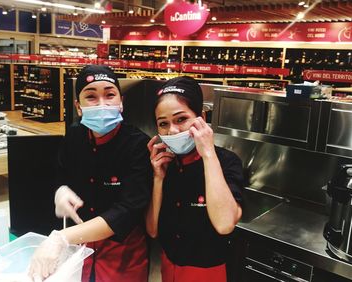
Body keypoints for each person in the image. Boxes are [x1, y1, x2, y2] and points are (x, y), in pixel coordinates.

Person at [29, 65, 152, 282]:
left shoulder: (138, 146)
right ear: (78, 106)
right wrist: (61, 190)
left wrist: (61, 238)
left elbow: (127, 210)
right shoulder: (74, 136)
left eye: (110, 95)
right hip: (80, 248)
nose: (102, 104)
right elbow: (61, 172)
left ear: (121, 102)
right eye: (91, 97)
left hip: (123, 256)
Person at [145, 76, 244, 282]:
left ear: (202, 117)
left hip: (208, 271)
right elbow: (152, 230)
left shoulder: (226, 161)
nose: (172, 130)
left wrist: (208, 154)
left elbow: (225, 224)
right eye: (163, 124)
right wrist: (157, 178)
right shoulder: (164, 163)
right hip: (168, 267)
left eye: (181, 119)